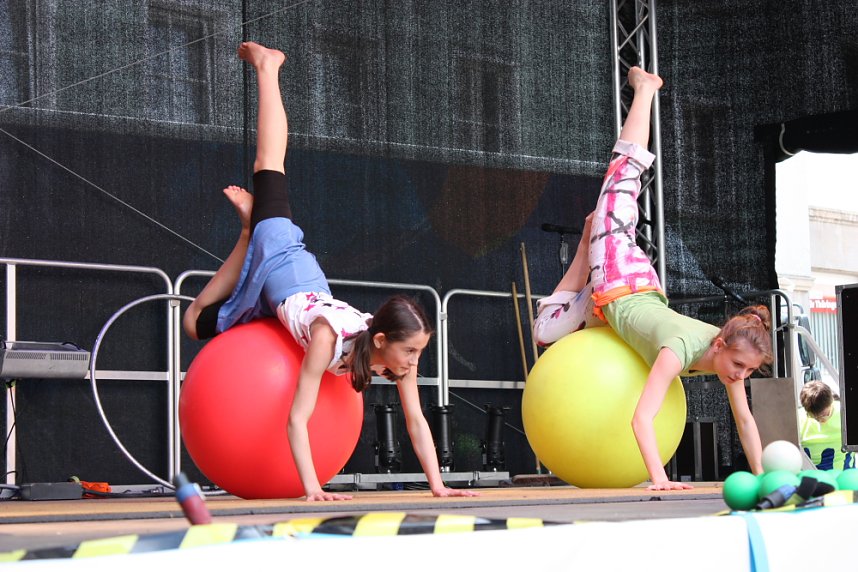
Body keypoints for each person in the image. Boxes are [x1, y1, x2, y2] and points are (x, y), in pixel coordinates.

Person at [183, 41, 478, 502]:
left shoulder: (395, 362)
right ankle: (268, 68)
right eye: (412, 352)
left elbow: (416, 421)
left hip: (296, 294)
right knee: (267, 169)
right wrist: (312, 489)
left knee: (198, 326)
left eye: (418, 353)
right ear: (380, 340)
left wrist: (439, 487)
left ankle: (249, 227)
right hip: (284, 262)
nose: (414, 362)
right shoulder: (327, 340)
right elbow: (297, 416)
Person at [532, 66, 773, 490]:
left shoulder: (726, 360)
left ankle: (590, 239)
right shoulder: (679, 351)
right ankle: (645, 89)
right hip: (619, 275)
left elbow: (746, 421)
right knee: (624, 176)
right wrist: (659, 479)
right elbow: (641, 417)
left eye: (748, 371)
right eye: (738, 366)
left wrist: (764, 479)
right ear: (720, 344)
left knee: (545, 332)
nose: (739, 376)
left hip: (621, 300)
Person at [798, 380, 853, 471]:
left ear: (832, 401)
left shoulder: (846, 413)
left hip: (844, 476)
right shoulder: (798, 419)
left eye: (824, 415)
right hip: (813, 479)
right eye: (814, 417)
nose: (821, 421)